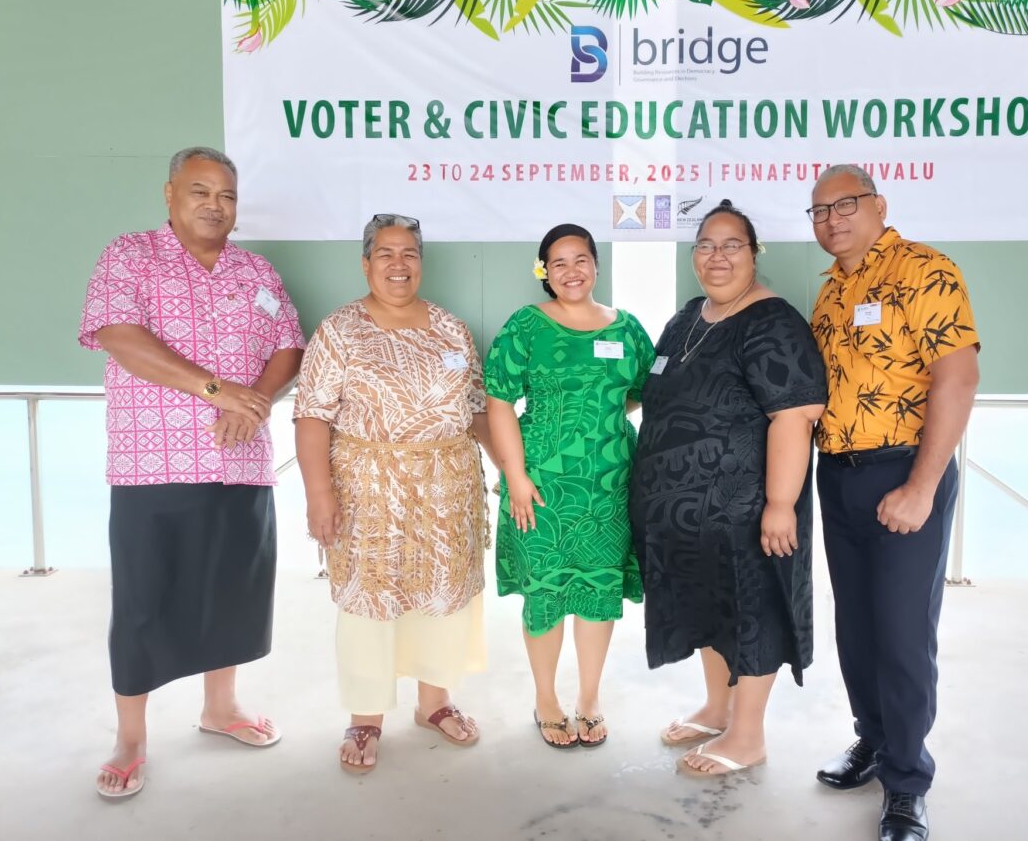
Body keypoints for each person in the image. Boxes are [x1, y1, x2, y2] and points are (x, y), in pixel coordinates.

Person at [78, 146, 305, 799]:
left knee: (231, 589)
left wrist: (254, 399)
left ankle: (221, 708)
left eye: (226, 195)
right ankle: (131, 738)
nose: (215, 204)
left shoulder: (255, 270)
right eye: (200, 191)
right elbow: (117, 334)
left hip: (240, 462)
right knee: (146, 600)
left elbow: (289, 344)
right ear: (170, 194)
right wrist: (217, 391)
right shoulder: (130, 255)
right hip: (155, 463)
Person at [807, 165, 980, 841]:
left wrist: (921, 487)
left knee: (904, 633)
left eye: (844, 205)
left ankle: (907, 782)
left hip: (906, 471)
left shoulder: (924, 270)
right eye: (818, 211)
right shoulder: (829, 294)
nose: (831, 220)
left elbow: (958, 378)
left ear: (878, 205)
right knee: (858, 628)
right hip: (838, 474)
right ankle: (873, 742)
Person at [629, 199, 827, 777]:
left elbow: (796, 414)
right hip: (690, 520)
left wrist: (781, 505)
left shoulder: (772, 321)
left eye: (731, 245)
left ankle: (747, 736)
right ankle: (718, 708)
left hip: (747, 510)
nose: (717, 257)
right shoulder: (689, 316)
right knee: (713, 610)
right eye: (706, 246)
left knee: (752, 611)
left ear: (753, 253)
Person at [294, 214, 497, 773]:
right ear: (366, 263)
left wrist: (512, 468)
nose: (398, 264)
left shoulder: (451, 329)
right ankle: (366, 717)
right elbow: (311, 415)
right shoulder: (340, 331)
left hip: (446, 489)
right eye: (385, 253)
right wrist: (318, 495)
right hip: (367, 489)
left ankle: (434, 703)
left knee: (442, 596)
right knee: (370, 600)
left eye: (409, 253)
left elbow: (478, 411)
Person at [485, 224, 654, 749]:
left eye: (580, 259)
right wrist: (514, 474)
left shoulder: (626, 328)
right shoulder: (526, 327)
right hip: (539, 488)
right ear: (544, 272)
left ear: (596, 265)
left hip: (608, 486)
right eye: (558, 263)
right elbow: (498, 400)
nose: (571, 271)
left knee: (598, 592)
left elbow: (641, 391)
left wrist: (594, 425)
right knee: (546, 592)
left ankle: (588, 698)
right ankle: (546, 699)